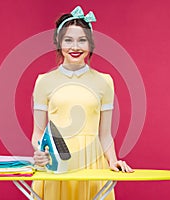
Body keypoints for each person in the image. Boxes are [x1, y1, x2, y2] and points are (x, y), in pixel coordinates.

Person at [31, 6, 133, 200]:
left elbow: (105, 134)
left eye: (82, 40)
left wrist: (113, 160)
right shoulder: (43, 81)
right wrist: (41, 152)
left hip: (93, 163)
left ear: (91, 44)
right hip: (56, 164)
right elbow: (37, 132)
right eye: (68, 40)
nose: (75, 47)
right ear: (58, 43)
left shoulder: (105, 81)